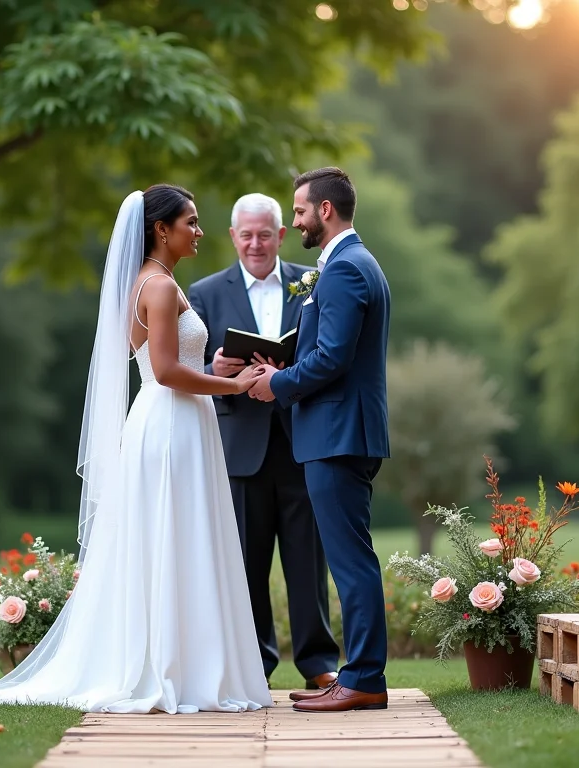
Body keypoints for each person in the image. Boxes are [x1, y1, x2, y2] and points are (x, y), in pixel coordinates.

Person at [0, 185, 272, 714]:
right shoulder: (159, 287)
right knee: (176, 536)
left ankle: (186, 662)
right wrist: (234, 384)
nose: (199, 231)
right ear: (161, 229)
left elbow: (171, 366)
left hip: (174, 419)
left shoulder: (151, 283)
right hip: (171, 422)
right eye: (191, 222)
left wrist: (218, 376)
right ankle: (176, 668)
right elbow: (166, 371)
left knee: (179, 537)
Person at [249, 167, 392, 713]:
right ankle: (355, 676)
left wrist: (277, 384)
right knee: (350, 559)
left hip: (337, 436)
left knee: (351, 563)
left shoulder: (345, 269)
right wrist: (285, 364)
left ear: (325, 210)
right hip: (339, 433)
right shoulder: (351, 263)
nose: (298, 221)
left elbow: (333, 358)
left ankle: (363, 679)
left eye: (301, 211)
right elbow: (332, 349)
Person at [187, 192, 339, 691]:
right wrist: (215, 367)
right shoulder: (205, 292)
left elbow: (327, 350)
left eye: (265, 234)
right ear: (234, 236)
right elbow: (186, 369)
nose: (256, 243)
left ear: (281, 235)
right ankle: (254, 665)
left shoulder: (312, 281)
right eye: (247, 235)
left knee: (308, 562)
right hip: (240, 448)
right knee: (245, 565)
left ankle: (318, 663)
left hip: (302, 439)